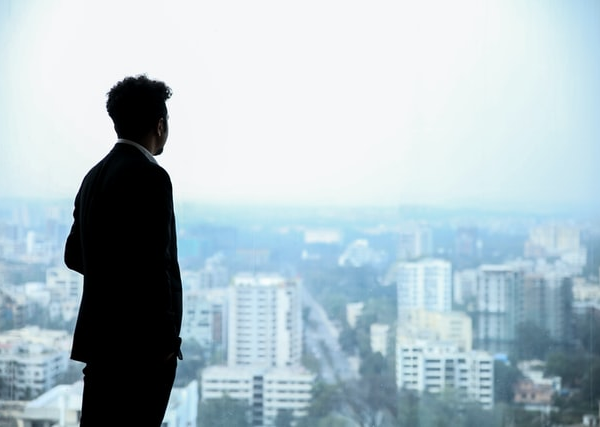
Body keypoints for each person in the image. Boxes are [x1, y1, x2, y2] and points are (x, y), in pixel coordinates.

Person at [64, 74, 183, 426]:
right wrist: (163, 346)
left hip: (100, 345)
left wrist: (108, 272)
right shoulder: (150, 176)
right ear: (159, 125)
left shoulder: (94, 176)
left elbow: (74, 254)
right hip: (141, 353)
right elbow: (153, 266)